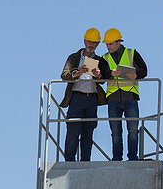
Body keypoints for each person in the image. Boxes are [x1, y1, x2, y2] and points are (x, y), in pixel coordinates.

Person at [99, 27, 147, 161]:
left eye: (110, 44)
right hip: (113, 99)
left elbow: (144, 70)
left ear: (118, 42)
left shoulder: (132, 53)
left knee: (132, 130)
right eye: (107, 44)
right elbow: (102, 76)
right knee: (115, 132)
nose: (108, 47)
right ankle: (116, 158)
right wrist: (110, 74)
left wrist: (136, 75)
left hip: (130, 97)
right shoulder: (104, 58)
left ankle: (133, 157)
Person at [59, 28, 106, 161]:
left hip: (92, 99)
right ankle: (69, 161)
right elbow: (64, 75)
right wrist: (77, 73)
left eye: (94, 43)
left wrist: (98, 76)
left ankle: (85, 161)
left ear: (97, 44)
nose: (91, 45)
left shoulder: (99, 60)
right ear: (84, 41)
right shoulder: (74, 57)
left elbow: (103, 81)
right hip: (76, 98)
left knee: (88, 132)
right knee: (73, 130)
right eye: (89, 42)